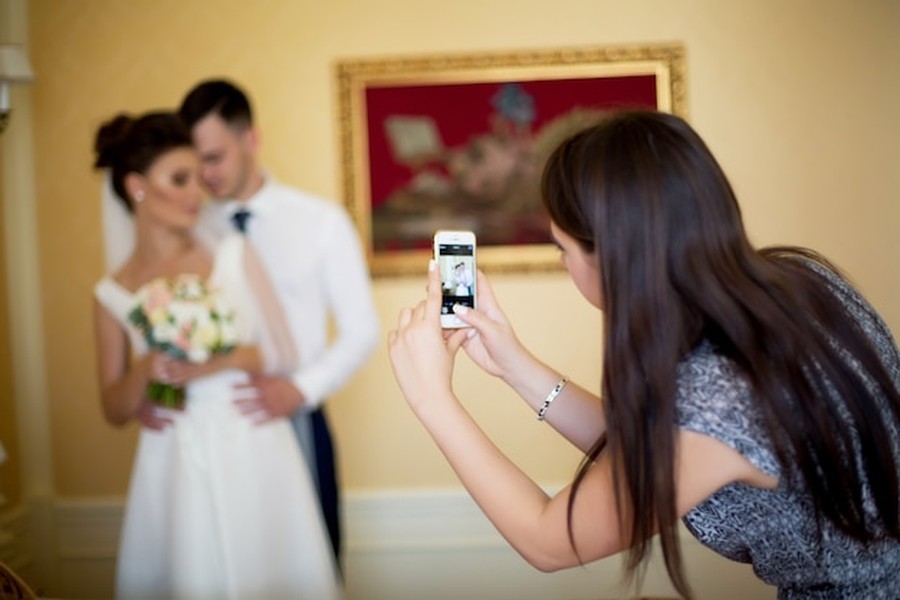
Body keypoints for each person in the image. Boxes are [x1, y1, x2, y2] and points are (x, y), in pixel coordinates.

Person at [387, 110, 900, 598]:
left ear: (612, 257)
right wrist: (513, 364)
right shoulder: (799, 281)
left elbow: (548, 541)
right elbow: (663, 447)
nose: (564, 264)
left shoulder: (720, 396)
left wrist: (432, 399)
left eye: (563, 249)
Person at [92, 111, 341, 599]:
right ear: (137, 187)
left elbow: (283, 351)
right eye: (178, 179)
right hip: (173, 454)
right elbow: (113, 409)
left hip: (249, 436)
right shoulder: (111, 293)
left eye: (197, 178)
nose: (195, 193)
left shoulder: (232, 253)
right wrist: (146, 370)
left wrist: (215, 363)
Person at [177, 79, 379, 571]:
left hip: (298, 416)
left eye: (215, 156)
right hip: (210, 427)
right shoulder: (190, 230)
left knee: (306, 565)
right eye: (196, 160)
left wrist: (300, 390)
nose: (205, 173)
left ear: (251, 139)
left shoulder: (321, 221)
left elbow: (361, 330)